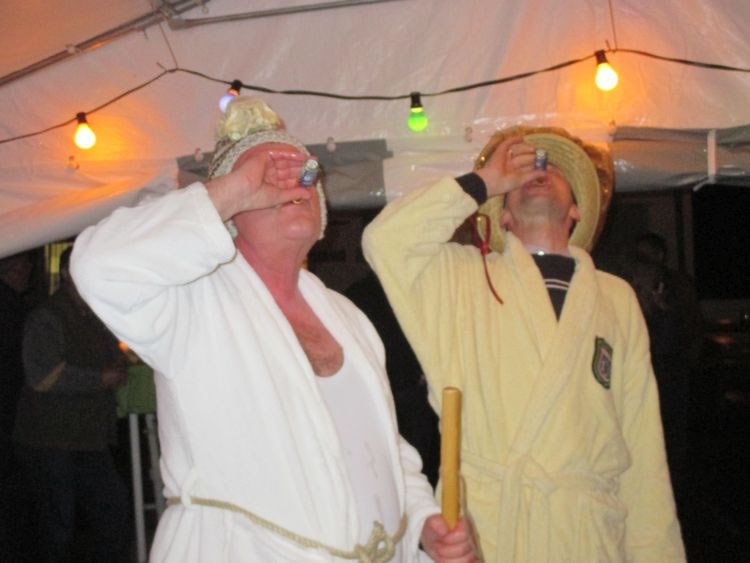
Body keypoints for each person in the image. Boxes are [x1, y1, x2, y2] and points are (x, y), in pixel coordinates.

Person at [71, 96, 478, 562]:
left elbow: (380, 443)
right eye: (264, 175)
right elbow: (97, 266)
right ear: (226, 210)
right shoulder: (189, 299)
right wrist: (239, 187)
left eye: (303, 173)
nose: (289, 182)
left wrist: (423, 520)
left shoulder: (346, 316)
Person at [362, 126, 686, 561]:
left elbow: (642, 447)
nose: (538, 169)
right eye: (521, 173)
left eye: (554, 168)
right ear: (503, 217)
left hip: (587, 536)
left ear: (575, 209)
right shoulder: (461, 278)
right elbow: (385, 241)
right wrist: (483, 183)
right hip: (490, 532)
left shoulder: (615, 298)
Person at [13, 247, 130, 562]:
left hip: (87, 437)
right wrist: (100, 378)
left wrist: (117, 363)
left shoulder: (93, 314)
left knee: (112, 516)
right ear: (67, 273)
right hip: (52, 438)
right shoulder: (48, 315)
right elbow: (42, 376)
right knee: (59, 527)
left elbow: (112, 355)